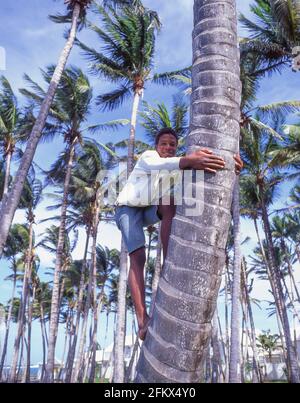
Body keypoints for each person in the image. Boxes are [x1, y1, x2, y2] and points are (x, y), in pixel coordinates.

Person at [114, 128, 243, 340]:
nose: (168, 147)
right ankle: (141, 319)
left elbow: (198, 171)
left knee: (169, 203)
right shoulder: (149, 157)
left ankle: (169, 260)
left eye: (172, 144)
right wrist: (189, 159)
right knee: (138, 258)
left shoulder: (175, 168)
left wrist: (232, 166)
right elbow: (167, 164)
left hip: (146, 210)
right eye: (163, 143)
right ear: (156, 146)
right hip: (126, 209)